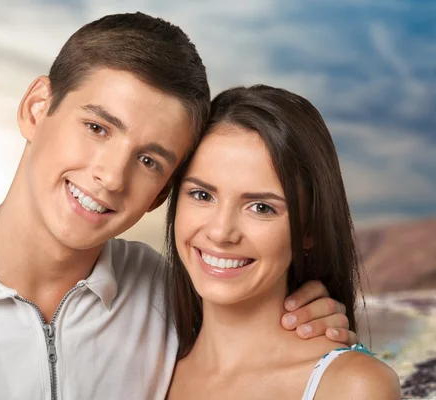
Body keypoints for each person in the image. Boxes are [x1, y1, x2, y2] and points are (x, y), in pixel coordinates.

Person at [0, 14, 355, 400]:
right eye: (97, 127)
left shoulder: (167, 299)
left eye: (150, 160)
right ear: (37, 109)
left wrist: (305, 317)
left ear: (161, 195)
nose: (110, 176)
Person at [165, 85, 401, 399]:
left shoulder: (351, 386)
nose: (221, 232)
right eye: (202, 195)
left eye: (261, 207)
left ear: (309, 229)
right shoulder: (149, 366)